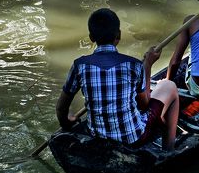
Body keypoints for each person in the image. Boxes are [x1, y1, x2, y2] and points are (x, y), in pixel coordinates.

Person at [57, 8, 180, 150]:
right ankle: (169, 150)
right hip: (133, 138)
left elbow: (61, 108)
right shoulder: (134, 65)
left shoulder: (79, 66)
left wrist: (67, 122)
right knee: (169, 85)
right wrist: (148, 64)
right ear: (119, 35)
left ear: (91, 37)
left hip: (96, 137)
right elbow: (144, 105)